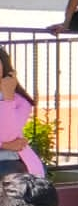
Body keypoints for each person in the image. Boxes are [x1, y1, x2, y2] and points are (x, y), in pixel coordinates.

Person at [0, 50, 46, 179]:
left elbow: (8, 135)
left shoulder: (20, 102)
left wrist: (8, 99)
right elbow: (7, 141)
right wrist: (4, 145)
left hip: (9, 162)